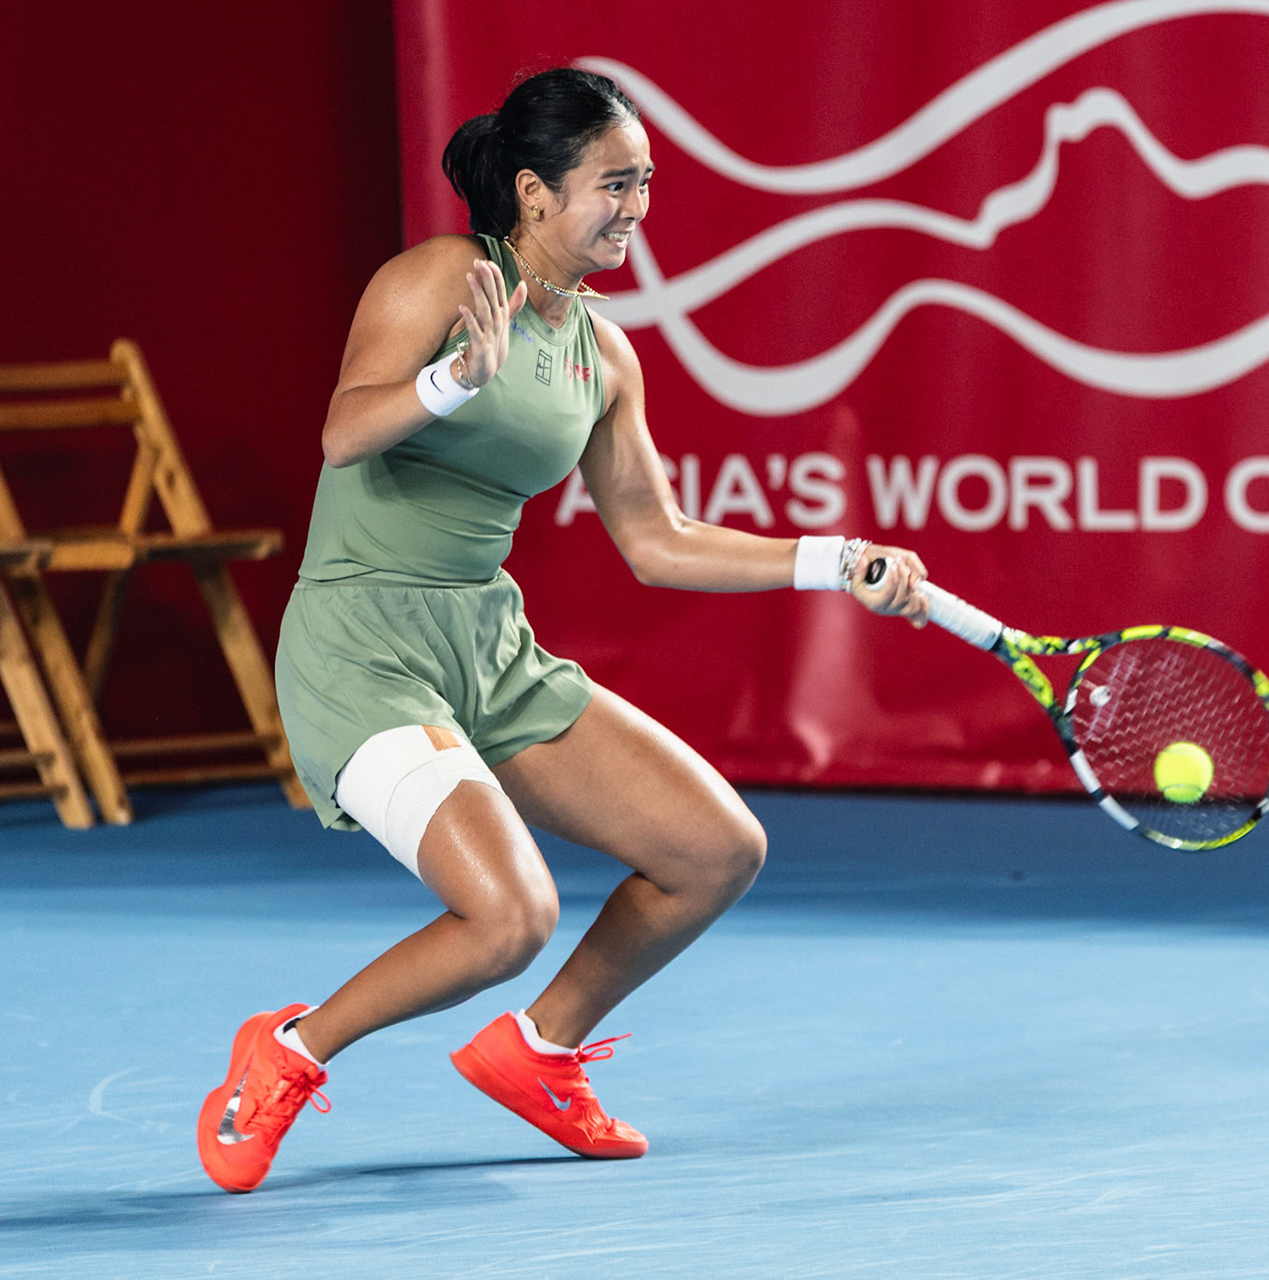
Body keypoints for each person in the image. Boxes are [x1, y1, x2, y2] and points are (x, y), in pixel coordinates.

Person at [197, 66, 928, 1194]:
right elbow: (344, 433)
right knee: (509, 912)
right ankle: (287, 1050)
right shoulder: (444, 276)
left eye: (646, 182)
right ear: (534, 194)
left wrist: (836, 561)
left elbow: (659, 536)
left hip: (487, 645)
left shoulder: (604, 352)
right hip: (364, 642)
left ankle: (536, 1051)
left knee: (714, 849)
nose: (637, 206)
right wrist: (451, 380)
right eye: (614, 184)